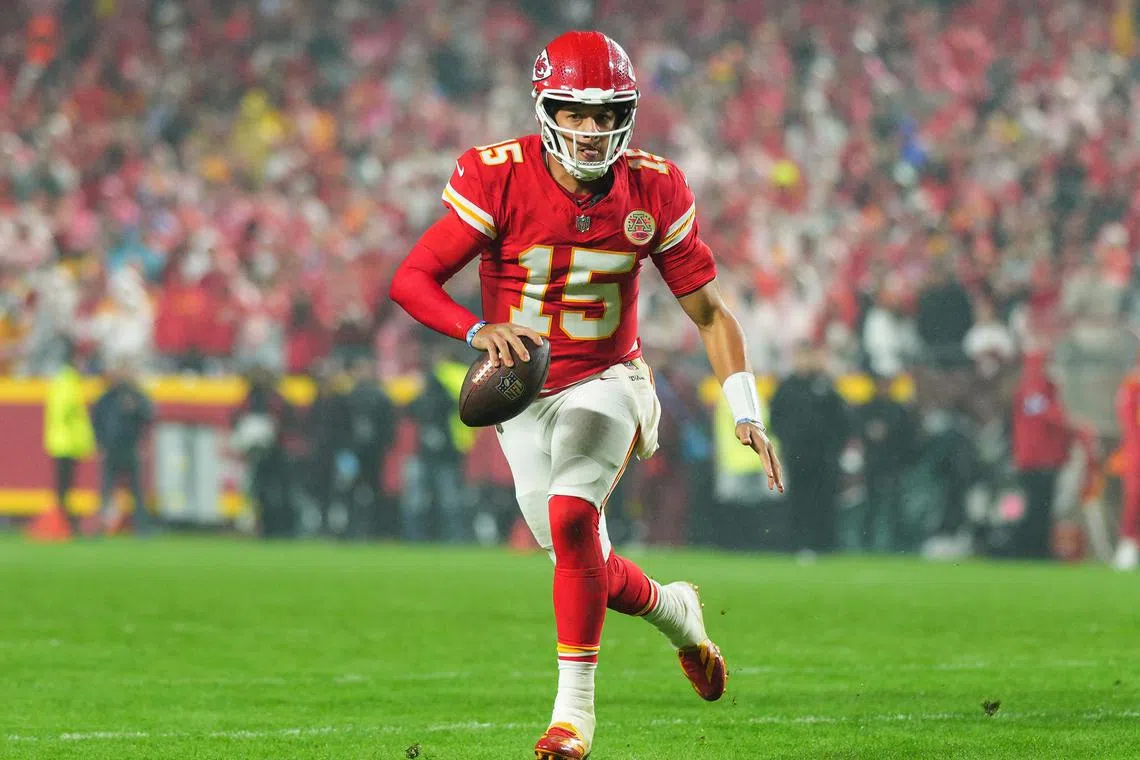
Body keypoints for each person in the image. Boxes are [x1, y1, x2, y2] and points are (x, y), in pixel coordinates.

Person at [389, 31, 784, 760]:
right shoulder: (497, 174)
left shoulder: (653, 186)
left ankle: (573, 722)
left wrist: (746, 411)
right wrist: (476, 329)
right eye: (576, 112)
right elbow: (411, 280)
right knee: (585, 568)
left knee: (574, 518)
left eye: (608, 115)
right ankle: (679, 613)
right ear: (547, 110)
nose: (593, 130)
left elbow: (708, 311)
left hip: (610, 381)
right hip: (523, 395)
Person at [769, 343, 851, 555]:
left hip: (823, 457)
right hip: (797, 456)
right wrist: (789, 442)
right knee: (798, 500)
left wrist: (833, 448)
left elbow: (841, 421)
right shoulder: (786, 387)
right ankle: (797, 543)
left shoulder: (825, 386)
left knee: (823, 501)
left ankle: (824, 545)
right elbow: (775, 419)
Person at [1010, 350, 1077, 559]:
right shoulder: (1035, 389)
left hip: (1039, 459)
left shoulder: (1038, 389)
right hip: (1038, 459)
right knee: (1038, 507)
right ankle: (1034, 550)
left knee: (1040, 507)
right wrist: (1077, 427)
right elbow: (1052, 416)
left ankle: (1036, 549)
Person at [91, 362, 156, 535]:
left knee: (136, 491)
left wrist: (136, 408)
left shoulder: (135, 396)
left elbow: (149, 413)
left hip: (130, 446)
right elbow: (96, 420)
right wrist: (99, 442)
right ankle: (103, 525)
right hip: (111, 448)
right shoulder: (107, 398)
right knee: (106, 490)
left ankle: (141, 526)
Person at [856, 374, 917, 551]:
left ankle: (898, 543)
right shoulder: (867, 408)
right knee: (871, 505)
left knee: (896, 505)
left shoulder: (898, 409)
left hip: (894, 463)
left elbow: (908, 437)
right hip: (873, 463)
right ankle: (866, 543)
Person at [41, 341, 95, 536]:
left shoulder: (62, 379)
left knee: (64, 487)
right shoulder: (68, 381)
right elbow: (64, 410)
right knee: (64, 488)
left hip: (62, 441)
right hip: (66, 441)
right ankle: (64, 525)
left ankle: (64, 524)